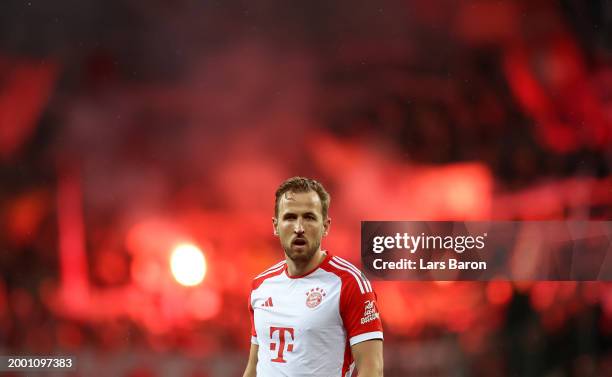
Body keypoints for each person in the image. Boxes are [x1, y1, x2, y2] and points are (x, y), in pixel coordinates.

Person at [243, 177, 383, 377]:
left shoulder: (350, 283)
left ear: (326, 226)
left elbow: (372, 370)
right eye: (290, 217)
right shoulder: (260, 286)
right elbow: (254, 367)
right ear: (275, 226)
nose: (299, 227)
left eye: (309, 217)